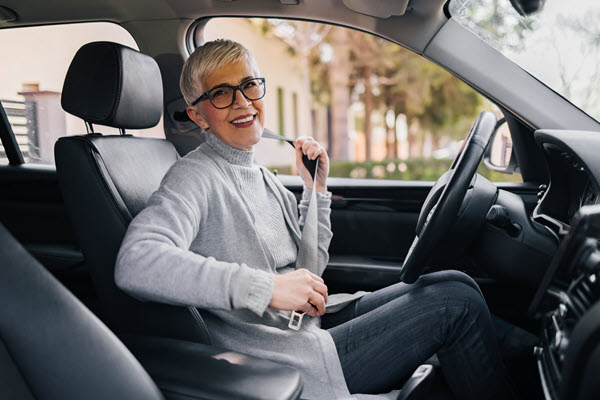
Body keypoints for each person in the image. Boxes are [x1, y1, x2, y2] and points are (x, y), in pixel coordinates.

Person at [115, 39, 515, 400]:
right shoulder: (194, 177)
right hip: (279, 356)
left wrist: (315, 190)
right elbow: (136, 262)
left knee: (451, 282)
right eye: (221, 94)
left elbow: (310, 272)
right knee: (456, 303)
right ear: (198, 116)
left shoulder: (262, 176)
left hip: (306, 328)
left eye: (250, 85)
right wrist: (265, 287)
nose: (242, 102)